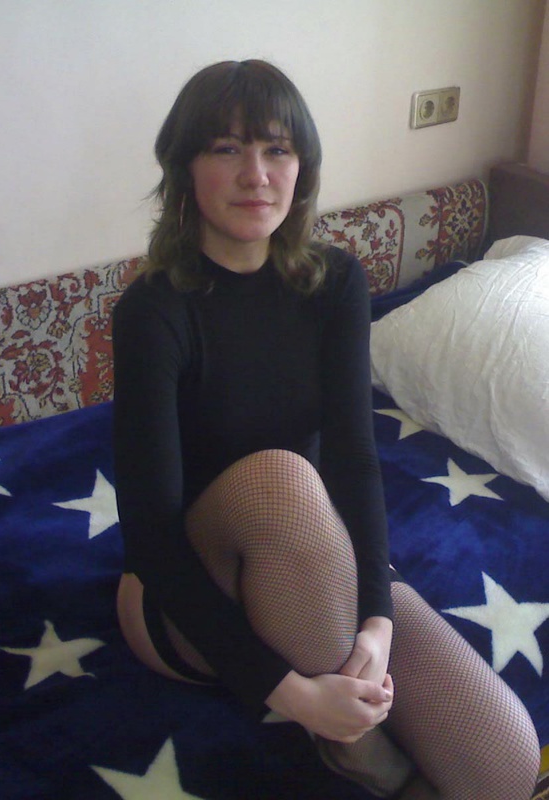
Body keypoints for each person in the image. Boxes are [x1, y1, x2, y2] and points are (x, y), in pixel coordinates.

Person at [112, 59, 540, 799]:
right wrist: (296, 698)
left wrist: (376, 619)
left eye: (276, 149)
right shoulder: (153, 311)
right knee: (280, 476)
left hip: (312, 565)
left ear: (302, 167)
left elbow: (353, 461)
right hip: (184, 598)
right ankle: (361, 757)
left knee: (506, 763)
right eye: (226, 148)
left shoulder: (334, 281)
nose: (255, 174)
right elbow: (151, 536)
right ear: (185, 168)